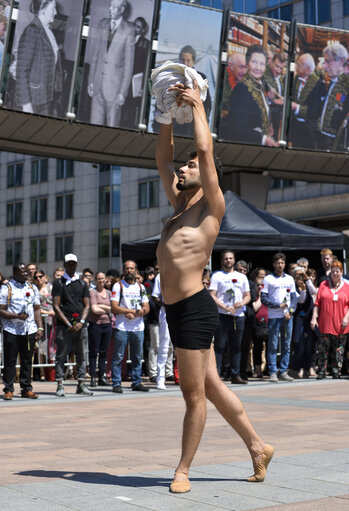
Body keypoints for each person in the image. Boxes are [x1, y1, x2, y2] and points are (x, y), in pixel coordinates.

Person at [155, 77, 273, 493]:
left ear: (206, 177)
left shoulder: (212, 206)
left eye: (191, 167)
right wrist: (166, 113)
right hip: (176, 308)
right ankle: (258, 446)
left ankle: (183, 470)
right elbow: (163, 160)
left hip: (193, 307)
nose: (184, 169)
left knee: (193, 394)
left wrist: (199, 106)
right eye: (184, 166)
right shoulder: (179, 206)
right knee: (212, 385)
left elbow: (204, 151)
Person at [87, 0, 135, 128]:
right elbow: (95, 56)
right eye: (110, 5)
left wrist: (122, 93)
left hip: (115, 90)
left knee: (111, 129)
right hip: (97, 85)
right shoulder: (102, 24)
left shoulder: (129, 30)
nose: (110, 8)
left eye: (114, 7)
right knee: (94, 127)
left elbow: (129, 66)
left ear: (122, 10)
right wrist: (91, 80)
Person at [0, 264, 43, 400]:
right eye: (23, 272)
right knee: (10, 361)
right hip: (11, 330)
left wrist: (40, 327)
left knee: (26, 360)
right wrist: (16, 316)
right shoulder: (6, 288)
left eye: (27, 272)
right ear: (15, 273)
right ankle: (8, 389)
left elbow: (37, 309)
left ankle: (26, 388)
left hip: (28, 329)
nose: (26, 274)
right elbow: (1, 309)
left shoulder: (32, 287)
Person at [52, 253, 92, 397]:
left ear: (76, 264)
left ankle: (81, 383)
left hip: (80, 325)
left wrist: (81, 322)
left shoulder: (82, 283)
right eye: (69, 263)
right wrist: (68, 323)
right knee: (61, 355)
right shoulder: (58, 283)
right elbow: (56, 306)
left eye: (73, 263)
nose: (71, 266)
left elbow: (87, 305)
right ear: (64, 265)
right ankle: (60, 384)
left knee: (81, 354)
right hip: (64, 325)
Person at [209, 251, 251, 384]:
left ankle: (235, 374)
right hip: (222, 315)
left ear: (234, 260)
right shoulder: (217, 276)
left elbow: (248, 296)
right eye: (226, 258)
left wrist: (241, 304)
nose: (228, 260)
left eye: (230, 258)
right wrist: (224, 307)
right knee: (220, 346)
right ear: (222, 261)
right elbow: (212, 295)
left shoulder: (241, 277)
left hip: (238, 316)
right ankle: (217, 375)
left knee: (237, 346)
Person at [15, 0, 62, 116]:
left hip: (46, 96)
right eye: (53, 8)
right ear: (43, 10)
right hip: (34, 99)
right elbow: (21, 71)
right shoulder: (32, 31)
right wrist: (26, 104)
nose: (56, 12)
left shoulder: (48, 31)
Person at [225, 45, 277, 146]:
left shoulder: (259, 85)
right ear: (247, 64)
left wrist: (267, 124)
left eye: (262, 64)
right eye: (254, 62)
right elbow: (236, 128)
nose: (258, 67)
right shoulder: (241, 89)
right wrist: (263, 139)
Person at [110, 260, 150, 393]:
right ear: (123, 270)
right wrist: (129, 311)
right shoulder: (118, 286)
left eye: (132, 268)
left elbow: (146, 308)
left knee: (137, 356)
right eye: (127, 268)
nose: (129, 271)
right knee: (118, 356)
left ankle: (136, 382)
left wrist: (137, 313)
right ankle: (116, 383)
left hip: (138, 327)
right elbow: (114, 307)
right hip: (122, 326)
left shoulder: (141, 287)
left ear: (136, 271)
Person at [261, 252, 297, 382]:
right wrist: (277, 305)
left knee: (286, 345)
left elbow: (294, 299)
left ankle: (283, 371)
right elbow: (263, 298)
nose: (280, 265)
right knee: (273, 345)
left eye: (282, 263)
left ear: (284, 264)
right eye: (278, 263)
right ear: (274, 264)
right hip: (273, 317)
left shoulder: (289, 279)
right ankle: (272, 372)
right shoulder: (268, 279)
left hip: (287, 317)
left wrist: (291, 311)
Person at [310, 261, 349, 379]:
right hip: (325, 322)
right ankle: (322, 370)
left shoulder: (347, 287)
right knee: (322, 348)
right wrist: (313, 318)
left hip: (341, 323)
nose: (335, 273)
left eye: (338, 271)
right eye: (333, 271)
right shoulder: (323, 285)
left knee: (339, 349)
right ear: (330, 273)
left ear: (342, 272)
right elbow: (317, 303)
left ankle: (336, 370)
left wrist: (347, 317)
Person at [316, 43, 349, 152]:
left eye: (328, 61)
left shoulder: (347, 84)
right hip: (322, 138)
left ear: (341, 61)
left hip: (337, 144)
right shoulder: (333, 81)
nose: (325, 66)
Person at [289, 53, 325, 149]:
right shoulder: (296, 78)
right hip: (295, 126)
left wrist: (297, 108)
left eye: (299, 65)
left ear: (308, 69)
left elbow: (316, 111)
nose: (296, 67)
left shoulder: (319, 85)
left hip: (309, 130)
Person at [121, 16, 150, 129]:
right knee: (121, 104)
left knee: (132, 106)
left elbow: (146, 67)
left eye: (138, 27)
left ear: (142, 31)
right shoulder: (125, 39)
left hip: (135, 81)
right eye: (134, 25)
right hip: (123, 78)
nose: (134, 28)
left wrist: (142, 86)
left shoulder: (146, 44)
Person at [88, 272, 112, 387]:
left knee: (104, 352)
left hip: (107, 325)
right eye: (99, 279)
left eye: (103, 278)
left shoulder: (109, 292)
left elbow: (114, 308)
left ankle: (102, 376)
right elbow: (94, 309)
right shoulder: (92, 292)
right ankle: (93, 376)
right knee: (93, 351)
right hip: (95, 325)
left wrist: (101, 306)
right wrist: (107, 309)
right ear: (95, 280)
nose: (101, 281)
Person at [34, 269, 54, 381]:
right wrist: (47, 312)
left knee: (51, 347)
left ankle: (51, 373)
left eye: (40, 276)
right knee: (41, 347)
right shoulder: (35, 290)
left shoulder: (51, 287)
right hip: (41, 320)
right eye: (36, 277)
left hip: (52, 321)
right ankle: (42, 373)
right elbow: (35, 307)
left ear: (44, 276)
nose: (38, 279)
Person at [264, 52, 286, 139]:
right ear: (271, 62)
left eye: (281, 68)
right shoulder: (264, 75)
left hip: (277, 113)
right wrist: (274, 100)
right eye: (277, 66)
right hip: (267, 113)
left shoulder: (280, 77)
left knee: (276, 136)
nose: (278, 70)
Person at [221, 52, 247, 121]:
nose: (244, 71)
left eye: (245, 67)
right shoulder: (223, 79)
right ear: (231, 65)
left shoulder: (240, 79)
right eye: (241, 67)